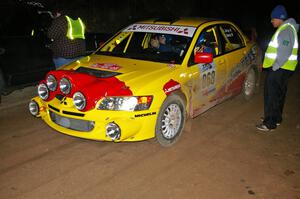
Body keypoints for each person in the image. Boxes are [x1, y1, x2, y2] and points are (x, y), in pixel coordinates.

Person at [256, 5, 299, 131]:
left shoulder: (285, 30)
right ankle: (276, 118)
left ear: (280, 18)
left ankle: (269, 123)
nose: (271, 21)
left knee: (271, 94)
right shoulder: (288, 29)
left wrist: (274, 67)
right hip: (285, 69)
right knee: (279, 93)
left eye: (273, 18)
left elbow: (284, 52)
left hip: (280, 68)